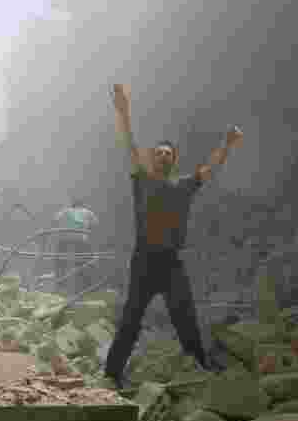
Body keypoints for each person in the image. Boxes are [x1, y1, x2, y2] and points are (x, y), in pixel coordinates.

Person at [103, 83, 244, 389]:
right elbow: (129, 144)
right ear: (152, 160)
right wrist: (124, 111)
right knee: (131, 319)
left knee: (185, 316)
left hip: (171, 263)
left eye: (168, 153)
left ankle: (200, 364)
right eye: (159, 153)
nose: (163, 156)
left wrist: (227, 144)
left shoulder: (183, 187)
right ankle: (112, 373)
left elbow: (209, 169)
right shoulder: (142, 180)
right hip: (143, 261)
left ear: (173, 160)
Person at [53, 198, 99, 295]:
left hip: (65, 240)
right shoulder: (87, 212)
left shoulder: (65, 211)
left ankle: (60, 285)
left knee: (60, 261)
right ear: (82, 205)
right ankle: (87, 286)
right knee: (86, 262)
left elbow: (55, 219)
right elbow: (95, 224)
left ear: (72, 205)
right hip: (81, 240)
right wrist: (87, 227)